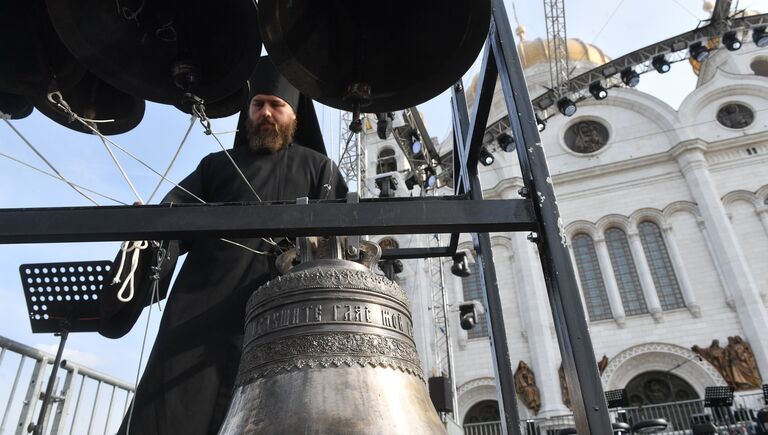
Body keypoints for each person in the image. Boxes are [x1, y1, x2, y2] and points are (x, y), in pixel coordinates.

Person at [98, 57, 348, 435]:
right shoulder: (216, 166)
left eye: (276, 105)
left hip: (283, 326)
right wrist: (147, 226)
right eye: (258, 104)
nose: (266, 113)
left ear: (293, 114)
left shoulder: (321, 170)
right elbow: (171, 218)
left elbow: (344, 246)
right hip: (199, 319)